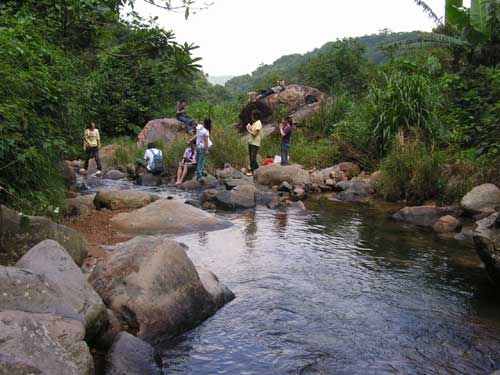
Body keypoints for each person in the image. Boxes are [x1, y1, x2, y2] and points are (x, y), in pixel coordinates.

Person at [247, 110, 263, 174]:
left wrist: (248, 130)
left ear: (255, 116)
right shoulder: (255, 123)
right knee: (251, 158)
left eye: (252, 115)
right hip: (251, 142)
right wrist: (250, 128)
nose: (251, 116)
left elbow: (254, 134)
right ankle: (255, 171)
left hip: (255, 143)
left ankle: (255, 171)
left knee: (253, 158)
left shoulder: (258, 123)